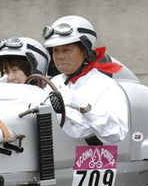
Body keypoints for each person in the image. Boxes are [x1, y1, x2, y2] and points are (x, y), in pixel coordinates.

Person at [42, 15, 129, 145]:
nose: (60, 56)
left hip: (95, 161)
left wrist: (83, 106)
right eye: (56, 50)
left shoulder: (106, 85)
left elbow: (117, 133)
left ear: (85, 51)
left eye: (66, 50)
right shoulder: (52, 83)